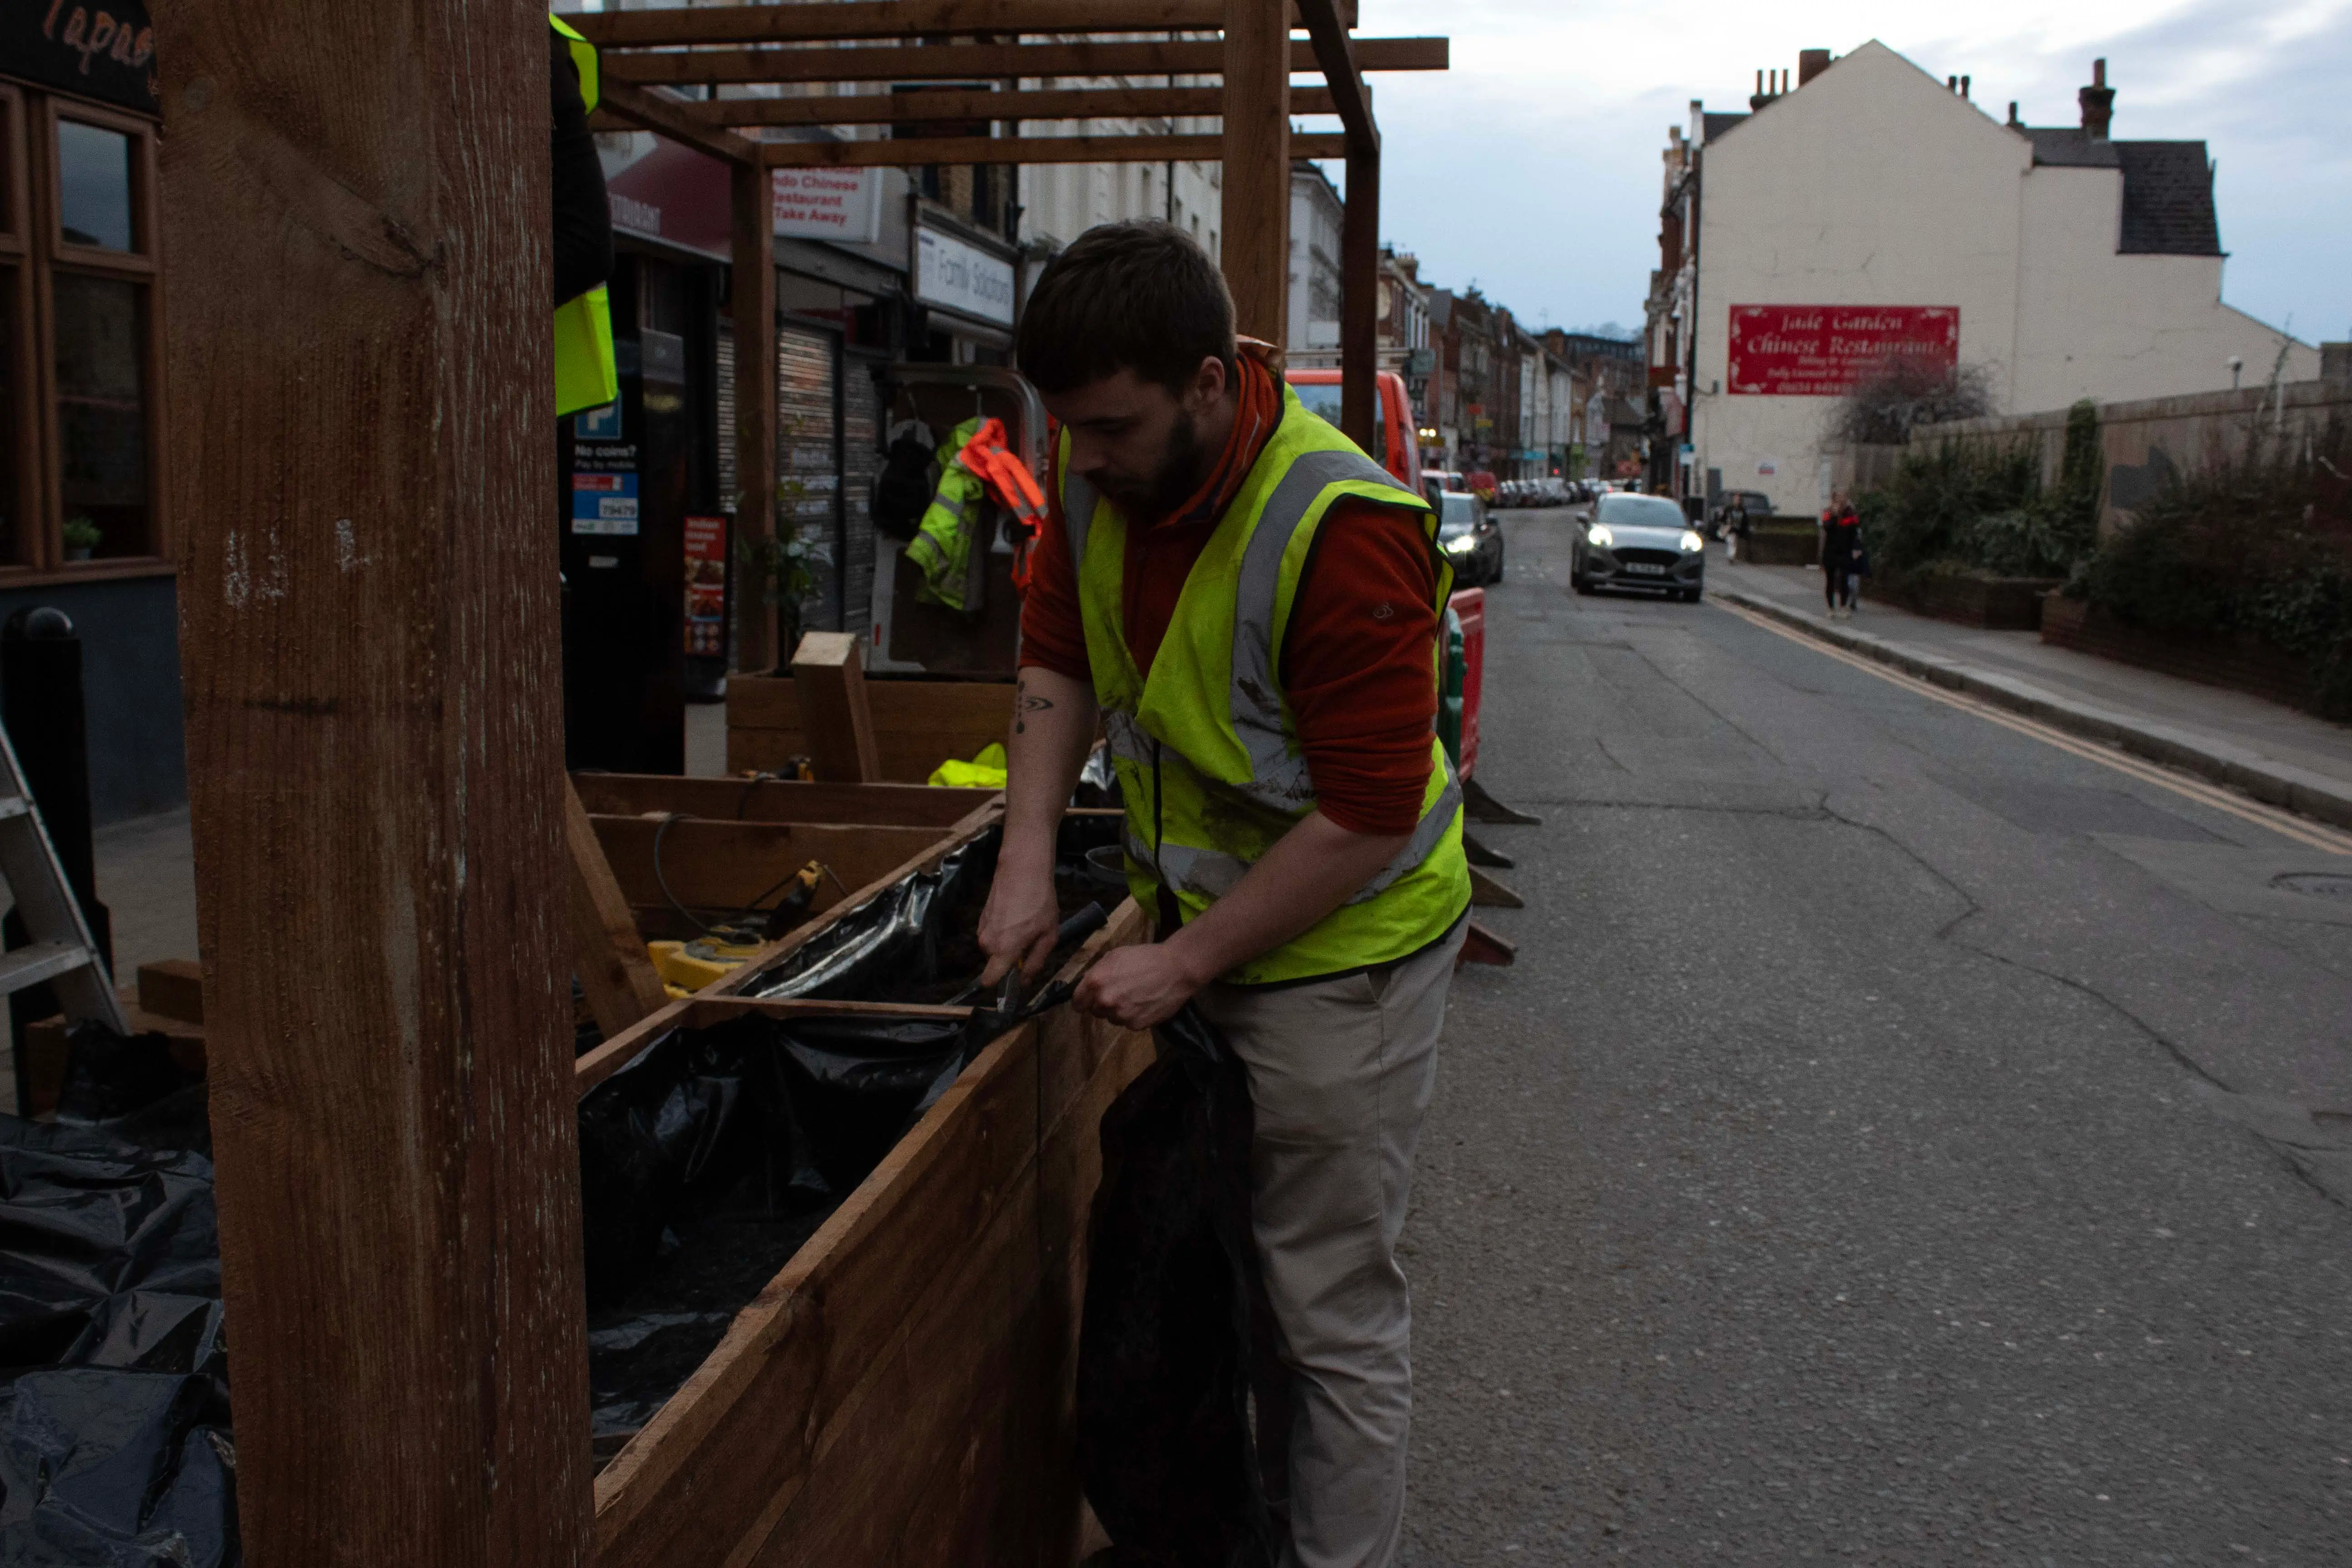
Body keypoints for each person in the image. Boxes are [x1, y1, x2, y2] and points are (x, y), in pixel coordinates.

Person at [978, 220, 1470, 1568]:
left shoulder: (1343, 525)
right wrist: (1024, 865)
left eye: (1114, 428)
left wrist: (1185, 967)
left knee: (1326, 1312)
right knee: (1231, 1268)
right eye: (1067, 429)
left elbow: (1369, 815)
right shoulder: (1100, 478)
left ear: (1208, 383)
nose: (1085, 460)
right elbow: (1053, 658)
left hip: (1348, 954)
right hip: (1211, 923)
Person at [1820, 491, 1861, 618]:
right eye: (1838, 498)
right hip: (1831, 552)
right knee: (1831, 581)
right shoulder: (1828, 513)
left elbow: (1855, 532)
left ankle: (1844, 607)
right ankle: (1831, 608)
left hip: (1845, 552)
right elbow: (1826, 527)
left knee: (1844, 580)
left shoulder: (1851, 514)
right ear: (1834, 500)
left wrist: (1856, 549)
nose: (1841, 500)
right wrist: (1834, 515)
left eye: (1843, 497)